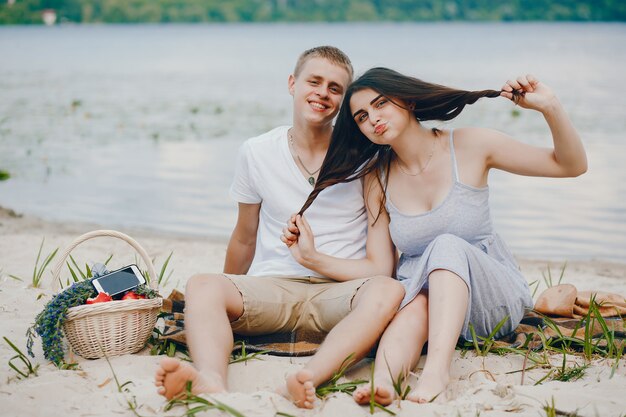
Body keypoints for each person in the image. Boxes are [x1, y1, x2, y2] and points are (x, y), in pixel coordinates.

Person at [283, 67, 587, 405]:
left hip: (491, 298)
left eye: (381, 104)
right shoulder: (377, 179)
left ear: (409, 101)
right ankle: (381, 383)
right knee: (412, 305)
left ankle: (436, 372)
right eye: (362, 117)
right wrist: (312, 258)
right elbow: (381, 269)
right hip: (428, 299)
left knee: (445, 246)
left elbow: (570, 165)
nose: (373, 119)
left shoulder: (471, 145)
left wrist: (551, 107)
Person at [153, 49, 405, 409]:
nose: (323, 92)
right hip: (274, 288)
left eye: (335, 88)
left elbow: (381, 267)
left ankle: (306, 378)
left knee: (388, 290)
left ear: (344, 101)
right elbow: (244, 236)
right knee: (202, 285)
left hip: (343, 293)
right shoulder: (256, 152)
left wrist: (314, 259)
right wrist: (226, 295)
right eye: (314, 81)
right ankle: (210, 379)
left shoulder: (367, 156)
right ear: (292, 84)